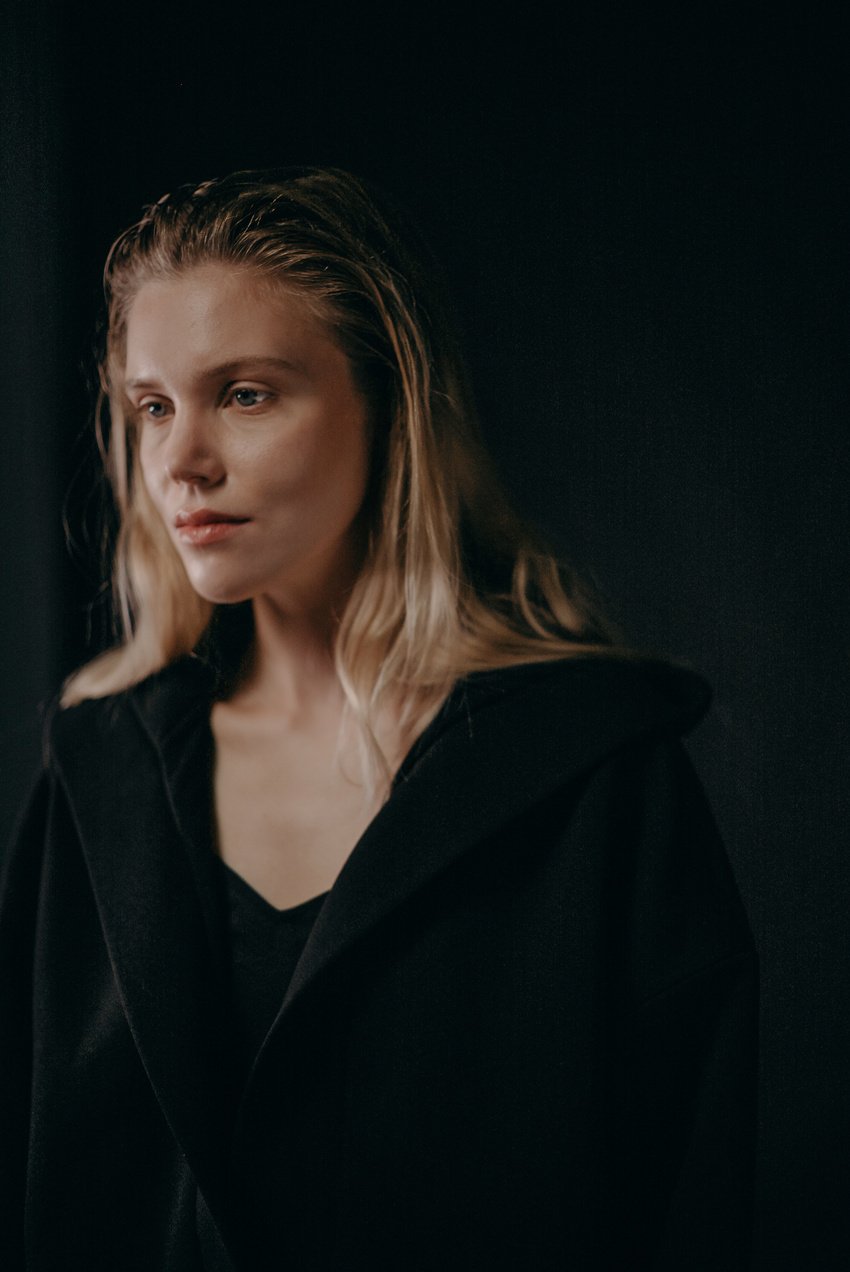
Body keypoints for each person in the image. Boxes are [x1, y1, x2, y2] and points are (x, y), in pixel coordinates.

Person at [0, 167, 757, 1271]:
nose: (180, 460)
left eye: (246, 393)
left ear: (390, 403)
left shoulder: (593, 771)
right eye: (152, 404)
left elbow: (690, 1197)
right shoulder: (97, 775)